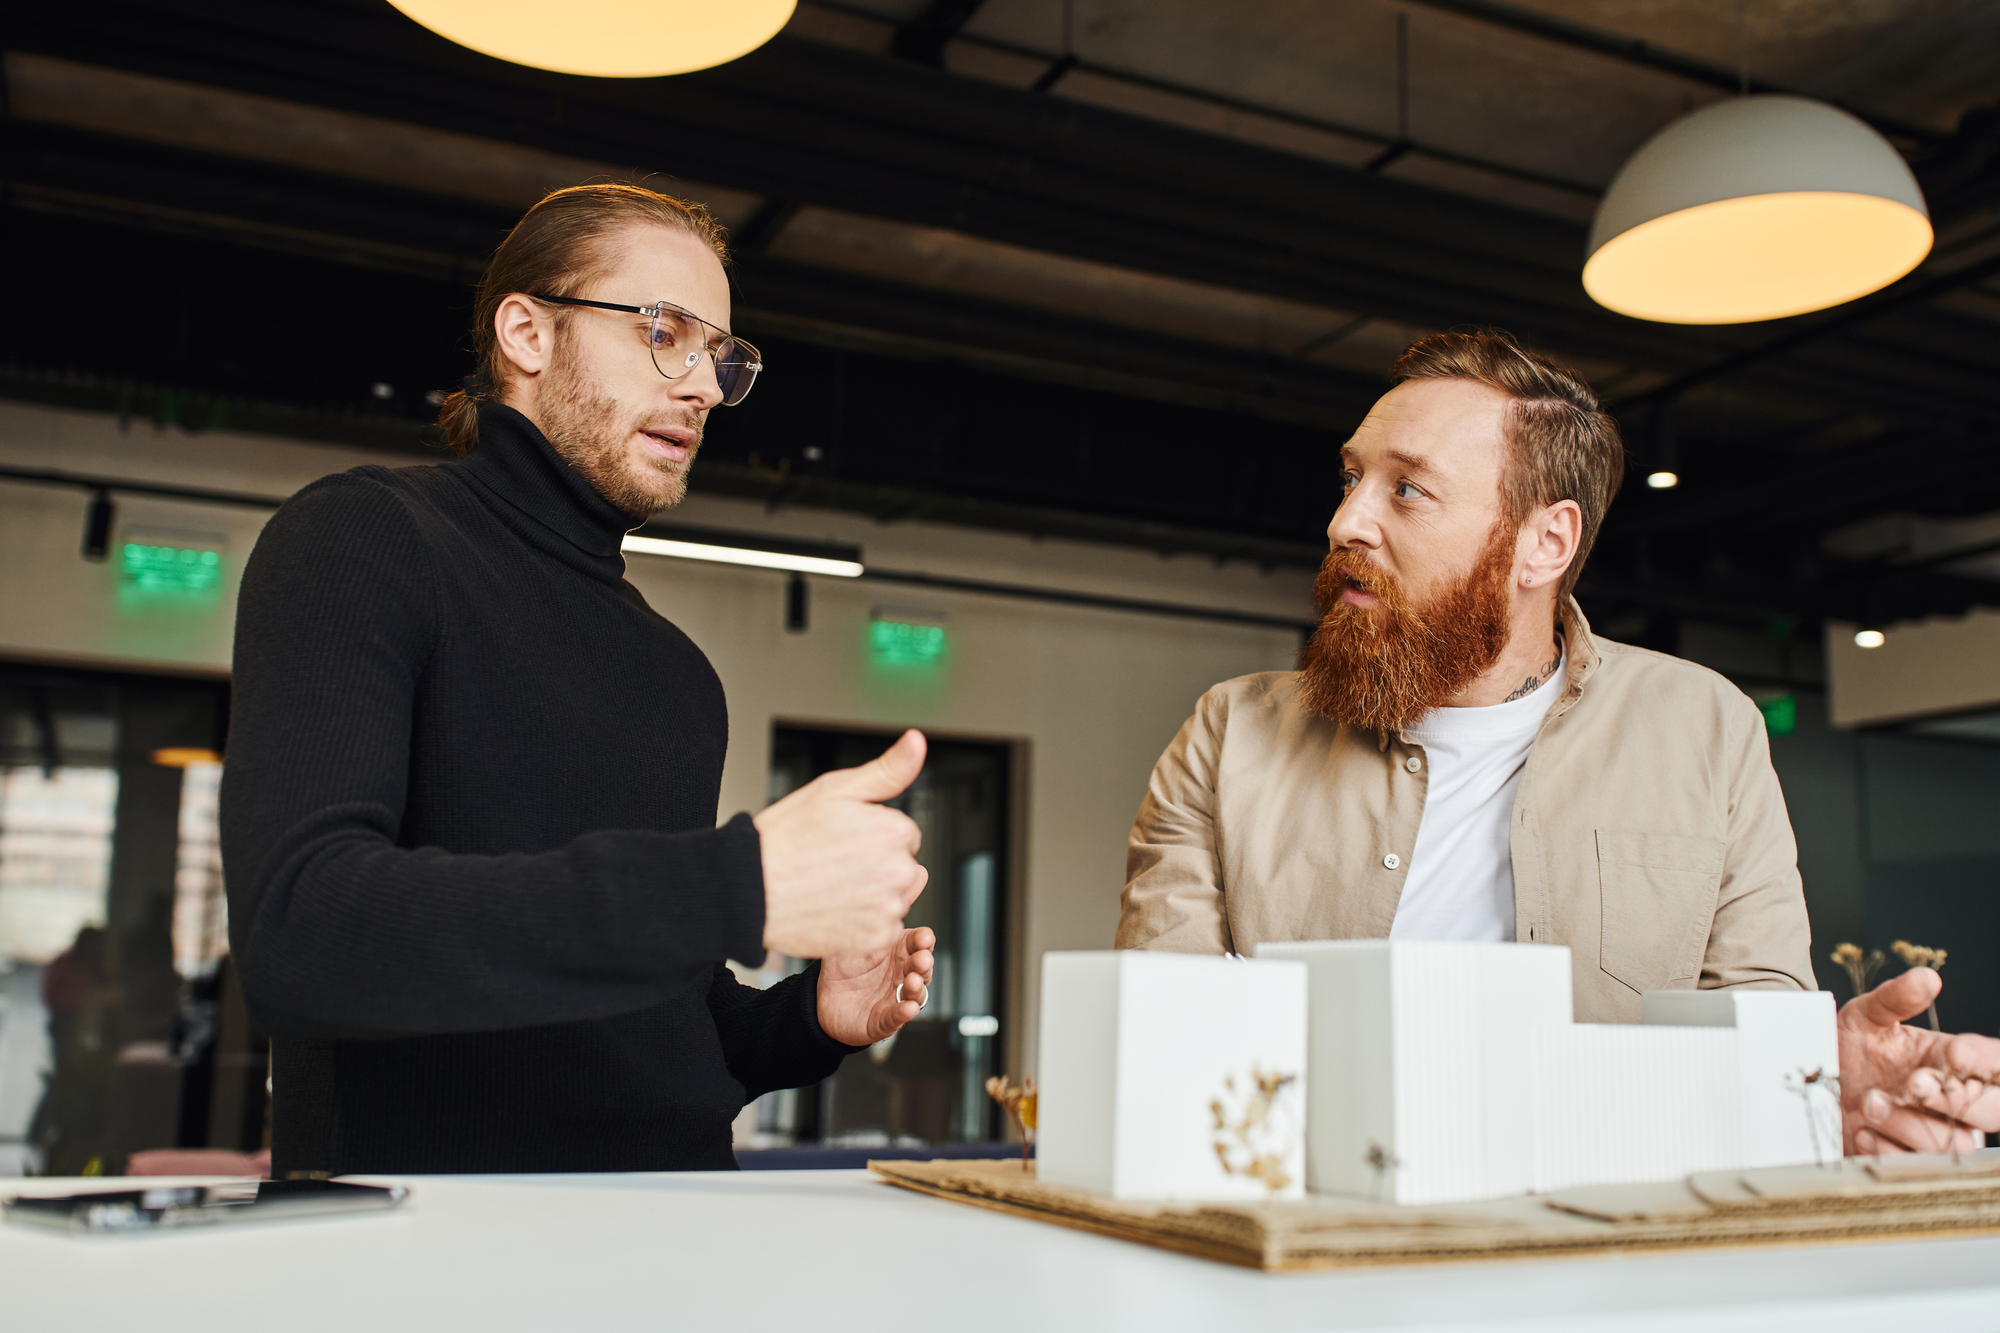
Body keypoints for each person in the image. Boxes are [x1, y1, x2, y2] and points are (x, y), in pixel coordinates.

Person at [1118, 330, 2000, 1156]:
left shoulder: (1708, 730)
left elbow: (1757, 1038)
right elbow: (1163, 1054)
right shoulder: (1229, 735)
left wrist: (1809, 1089)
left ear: (1546, 542)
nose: (1346, 522)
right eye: (1350, 479)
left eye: (1408, 489)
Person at [222, 184, 935, 1176]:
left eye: (719, 357)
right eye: (663, 331)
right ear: (527, 331)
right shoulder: (365, 539)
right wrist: (731, 883)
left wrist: (808, 1021)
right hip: (427, 1261)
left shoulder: (678, 675)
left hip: (671, 1245)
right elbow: (304, 935)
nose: (698, 385)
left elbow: (653, 1031)